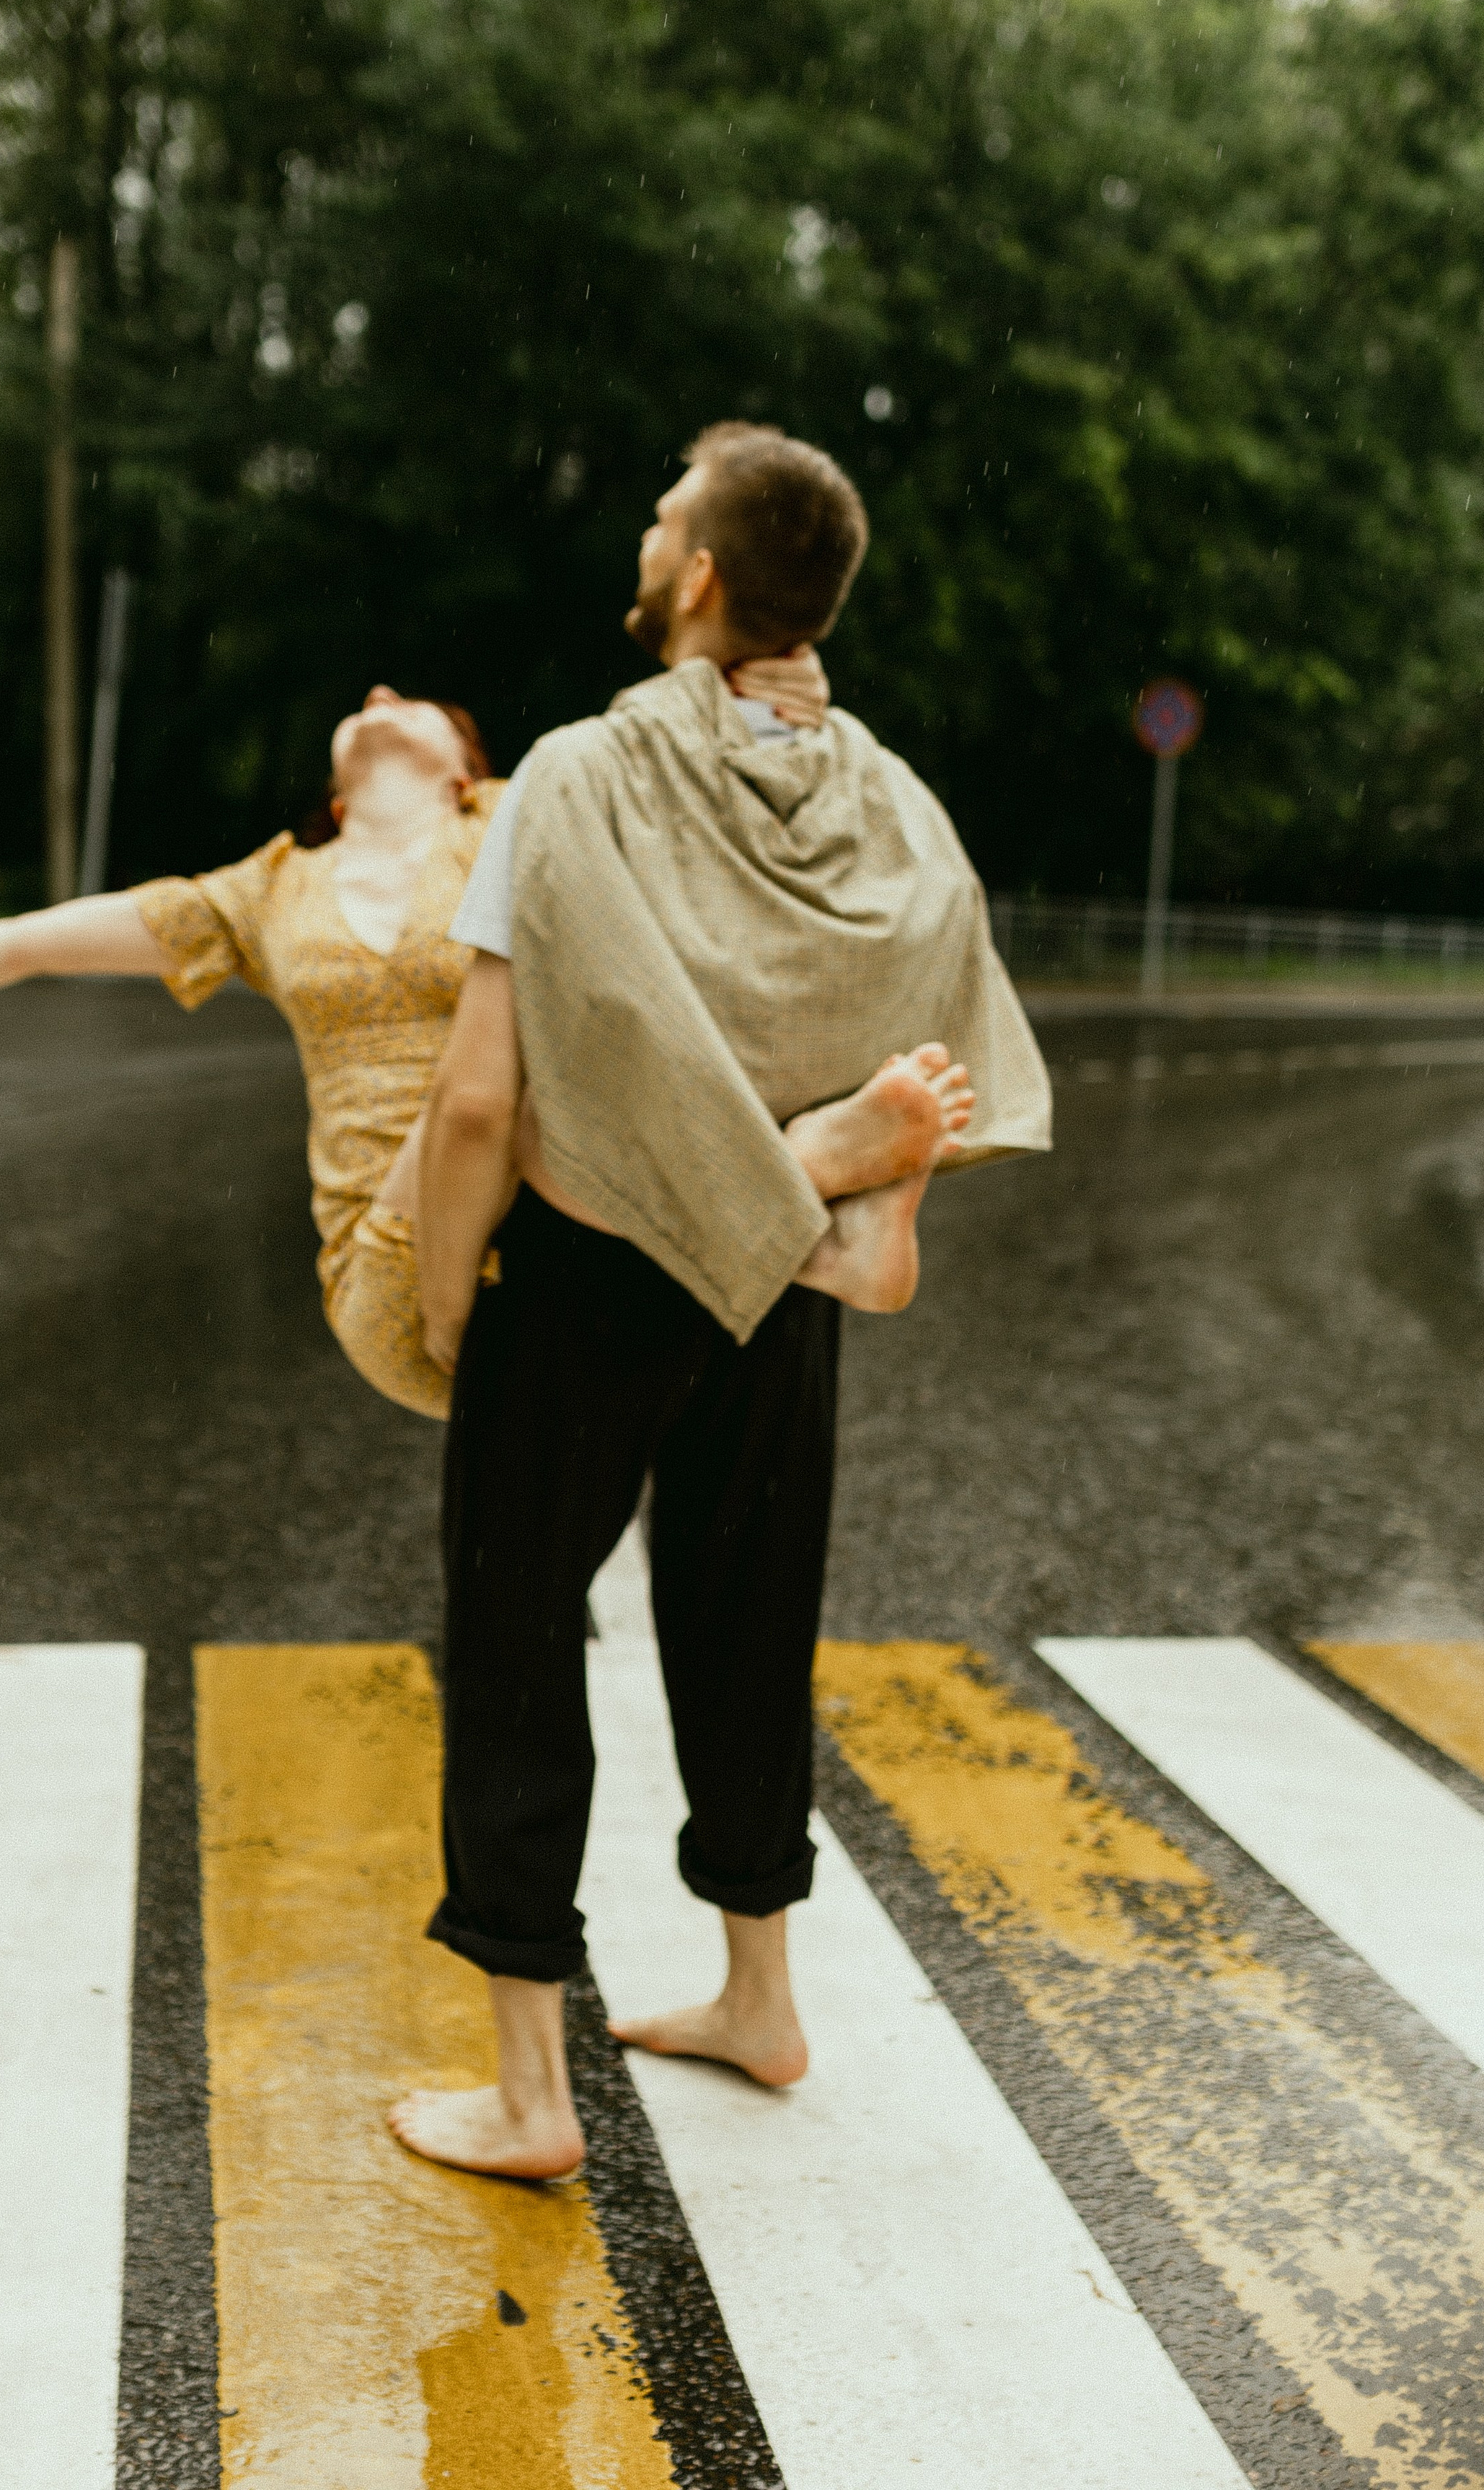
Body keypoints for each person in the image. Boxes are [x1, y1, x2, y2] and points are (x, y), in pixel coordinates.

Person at [388, 422, 1051, 2184]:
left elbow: (473, 1098)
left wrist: (444, 1302)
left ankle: (529, 2095)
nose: (645, 523)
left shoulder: (581, 775)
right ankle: (756, 1993)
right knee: (747, 1609)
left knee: (520, 1631)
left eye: (660, 506)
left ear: (694, 575)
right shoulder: (885, 798)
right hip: (788, 1273)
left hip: (598, 1257)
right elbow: (935, 968)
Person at [0, 659, 963, 1413]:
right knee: (495, 1070)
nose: (381, 697)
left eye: (418, 705)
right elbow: (29, 941)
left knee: (546, 1038)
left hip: (565, 1224)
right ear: (337, 800)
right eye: (370, 703)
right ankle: (808, 1184)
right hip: (392, 1273)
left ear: (463, 771)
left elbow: (692, 781)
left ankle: (831, 1234)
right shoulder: (263, 889)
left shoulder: (526, 813)